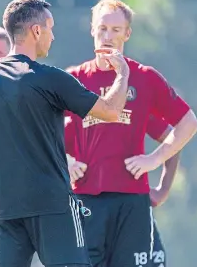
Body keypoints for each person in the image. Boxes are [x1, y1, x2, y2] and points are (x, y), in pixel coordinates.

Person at [0, 0, 133, 267]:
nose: (53, 36)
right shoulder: (50, 78)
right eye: (50, 28)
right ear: (36, 31)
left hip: (7, 212)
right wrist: (123, 74)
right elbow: (112, 111)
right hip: (54, 209)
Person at [62, 0, 197, 267]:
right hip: (85, 200)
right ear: (92, 30)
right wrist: (64, 161)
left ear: (127, 34)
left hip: (132, 202)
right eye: (102, 28)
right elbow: (38, 129)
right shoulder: (73, 79)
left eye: (115, 30)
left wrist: (154, 160)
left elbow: (188, 123)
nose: (107, 36)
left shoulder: (145, 78)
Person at [65, 114, 179, 267]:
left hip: (132, 213)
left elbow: (173, 137)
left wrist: (163, 189)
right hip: (88, 212)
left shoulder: (131, 103)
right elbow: (35, 147)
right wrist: (66, 165)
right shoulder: (70, 100)